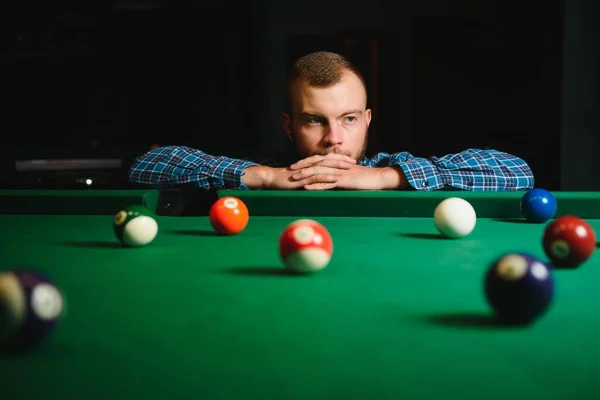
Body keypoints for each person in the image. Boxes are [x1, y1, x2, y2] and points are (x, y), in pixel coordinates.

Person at [129, 51, 534, 192]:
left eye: (349, 119)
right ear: (288, 126)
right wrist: (266, 178)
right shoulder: (261, 172)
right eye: (314, 121)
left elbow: (517, 171)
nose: (333, 139)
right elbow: (147, 165)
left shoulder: (391, 168)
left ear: (368, 120)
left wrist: (383, 179)